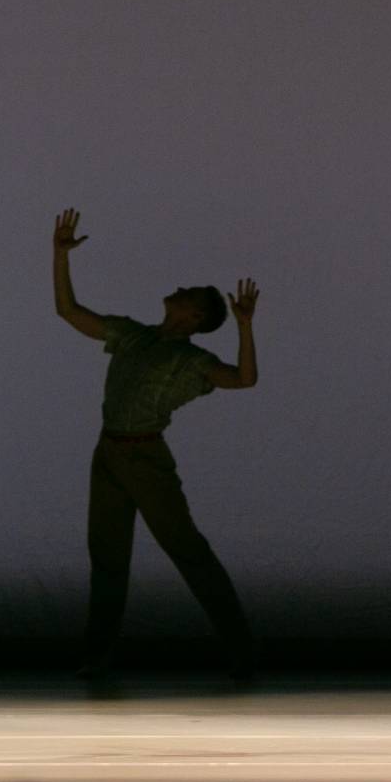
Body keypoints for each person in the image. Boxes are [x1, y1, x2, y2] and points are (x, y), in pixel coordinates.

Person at [52, 208, 257, 678]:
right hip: (109, 452)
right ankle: (97, 655)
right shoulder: (133, 336)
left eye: (188, 294)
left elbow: (244, 378)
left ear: (194, 315)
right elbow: (69, 311)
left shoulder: (190, 358)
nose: (178, 290)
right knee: (107, 557)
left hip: (145, 456)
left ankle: (242, 650)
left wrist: (244, 326)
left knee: (188, 551)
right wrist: (59, 255)